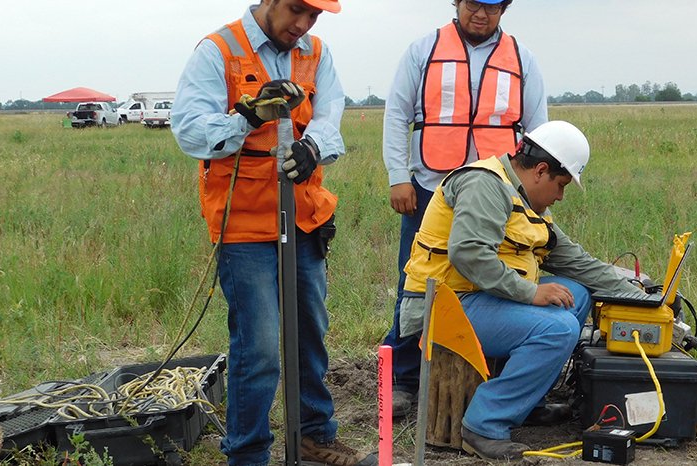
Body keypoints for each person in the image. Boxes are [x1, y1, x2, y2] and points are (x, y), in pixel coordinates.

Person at [170, 1, 369, 465]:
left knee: (310, 331)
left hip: (302, 216)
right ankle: (248, 452)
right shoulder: (218, 50)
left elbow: (329, 117)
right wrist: (247, 118)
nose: (302, 26)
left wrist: (312, 148)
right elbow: (190, 131)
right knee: (258, 346)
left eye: (314, 17)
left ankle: (313, 434)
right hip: (243, 223)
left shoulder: (315, 52)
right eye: (297, 11)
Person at [397, 121, 644, 460]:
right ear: (541, 170)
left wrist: (643, 296)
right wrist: (531, 294)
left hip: (476, 299)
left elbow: (578, 263)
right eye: (561, 185)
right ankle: (484, 423)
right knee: (559, 329)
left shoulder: (524, 199)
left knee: (578, 292)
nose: (560, 196)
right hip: (444, 306)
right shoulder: (484, 184)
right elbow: (468, 253)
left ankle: (527, 400)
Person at [381, 0, 549, 418]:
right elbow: (396, 113)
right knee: (417, 284)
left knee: (499, 280)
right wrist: (397, 176)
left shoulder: (522, 59)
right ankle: (403, 378)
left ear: (505, 9)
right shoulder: (423, 50)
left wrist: (534, 200)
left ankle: (495, 373)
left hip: (498, 197)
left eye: (493, 7)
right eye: (474, 4)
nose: (482, 14)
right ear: (456, 3)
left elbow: (538, 131)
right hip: (428, 188)